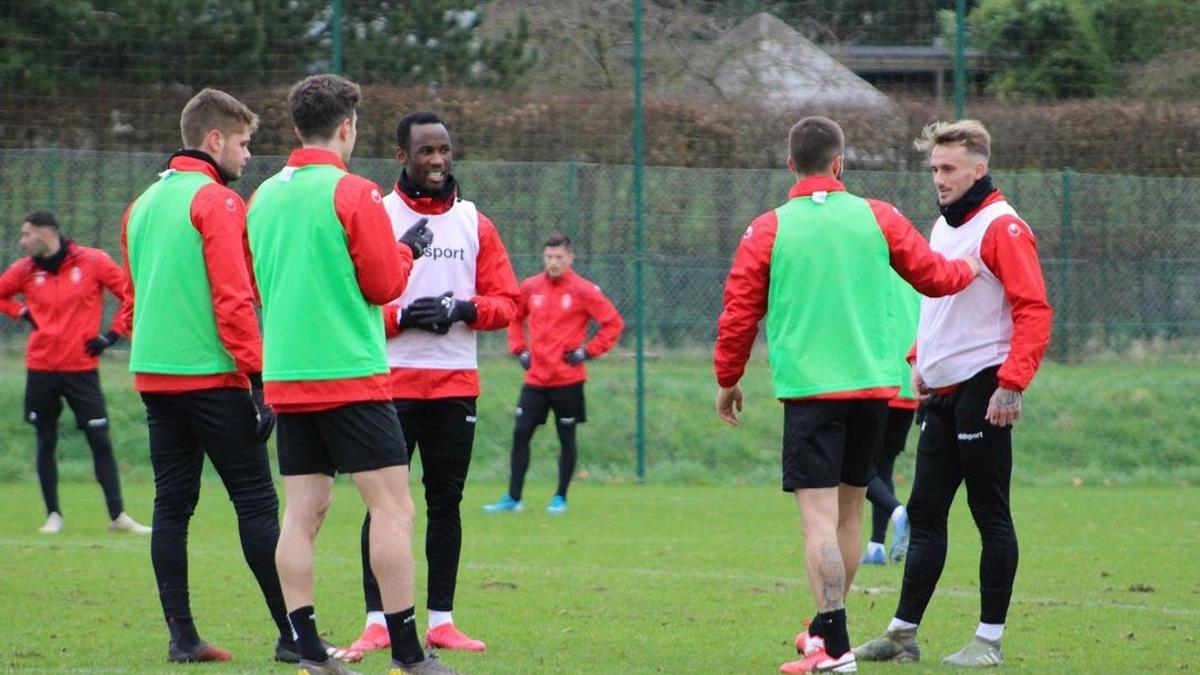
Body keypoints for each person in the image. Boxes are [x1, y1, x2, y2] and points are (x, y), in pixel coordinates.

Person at [712, 116, 981, 674]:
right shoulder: (877, 216)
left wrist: (727, 378)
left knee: (816, 520)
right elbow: (932, 275)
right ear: (840, 163)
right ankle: (821, 629)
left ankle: (834, 649)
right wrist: (970, 268)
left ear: (791, 165)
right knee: (850, 515)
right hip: (873, 390)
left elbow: (739, 313)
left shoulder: (769, 228)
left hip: (812, 392)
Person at [247, 78, 456, 675]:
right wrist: (406, 252)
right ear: (347, 127)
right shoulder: (354, 192)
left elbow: (262, 281)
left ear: (295, 129)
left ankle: (308, 647)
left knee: (302, 513)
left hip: (287, 374)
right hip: (349, 374)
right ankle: (410, 654)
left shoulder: (263, 197)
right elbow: (384, 285)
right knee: (393, 510)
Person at [853, 120, 1052, 668]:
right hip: (942, 392)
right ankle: (901, 636)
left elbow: (1033, 310)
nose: (938, 178)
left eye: (947, 169)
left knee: (989, 512)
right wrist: (920, 357)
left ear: (978, 169)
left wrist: (1012, 384)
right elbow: (942, 305)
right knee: (924, 510)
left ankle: (988, 642)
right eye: (934, 169)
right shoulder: (946, 227)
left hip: (985, 387)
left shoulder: (1002, 226)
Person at [121, 88, 307, 665]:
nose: (250, 156)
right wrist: (258, 378)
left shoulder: (142, 203)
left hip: (155, 379)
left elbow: (129, 307)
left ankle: (182, 638)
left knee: (171, 507)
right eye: (246, 144)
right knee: (256, 503)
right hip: (213, 379)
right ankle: (292, 636)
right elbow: (234, 301)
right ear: (215, 140)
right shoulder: (218, 203)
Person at [344, 110, 519, 659]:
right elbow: (355, 301)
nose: (438, 160)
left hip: (453, 387)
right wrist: (405, 318)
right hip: (387, 387)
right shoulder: (377, 215)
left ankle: (441, 619)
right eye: (426, 151)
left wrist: (463, 307)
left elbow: (509, 304)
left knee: (446, 504)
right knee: (382, 507)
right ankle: (377, 622)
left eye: (444, 149)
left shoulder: (475, 222)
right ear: (402, 155)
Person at [0, 210, 149, 535]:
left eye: (27, 235)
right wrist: (21, 310)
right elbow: (2, 294)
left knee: (100, 440)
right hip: (40, 369)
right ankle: (53, 515)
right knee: (45, 440)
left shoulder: (92, 261)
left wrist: (112, 335)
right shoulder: (25, 270)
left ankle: (118, 516)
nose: (22, 241)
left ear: (46, 233)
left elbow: (130, 295)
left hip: (82, 369)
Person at [484, 232, 624, 514]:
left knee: (566, 437)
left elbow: (613, 323)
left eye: (559, 257)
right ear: (543, 258)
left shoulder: (583, 290)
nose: (554, 262)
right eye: (549, 257)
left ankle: (560, 496)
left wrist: (588, 351)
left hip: (568, 380)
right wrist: (519, 349)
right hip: (535, 379)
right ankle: (514, 498)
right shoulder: (530, 287)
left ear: (570, 258)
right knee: (521, 433)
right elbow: (515, 318)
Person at [860, 278, 921, 566]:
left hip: (880, 382)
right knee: (883, 466)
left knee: (853, 468)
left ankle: (899, 513)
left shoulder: (872, 270)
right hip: (910, 386)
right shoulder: (915, 275)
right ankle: (876, 546)